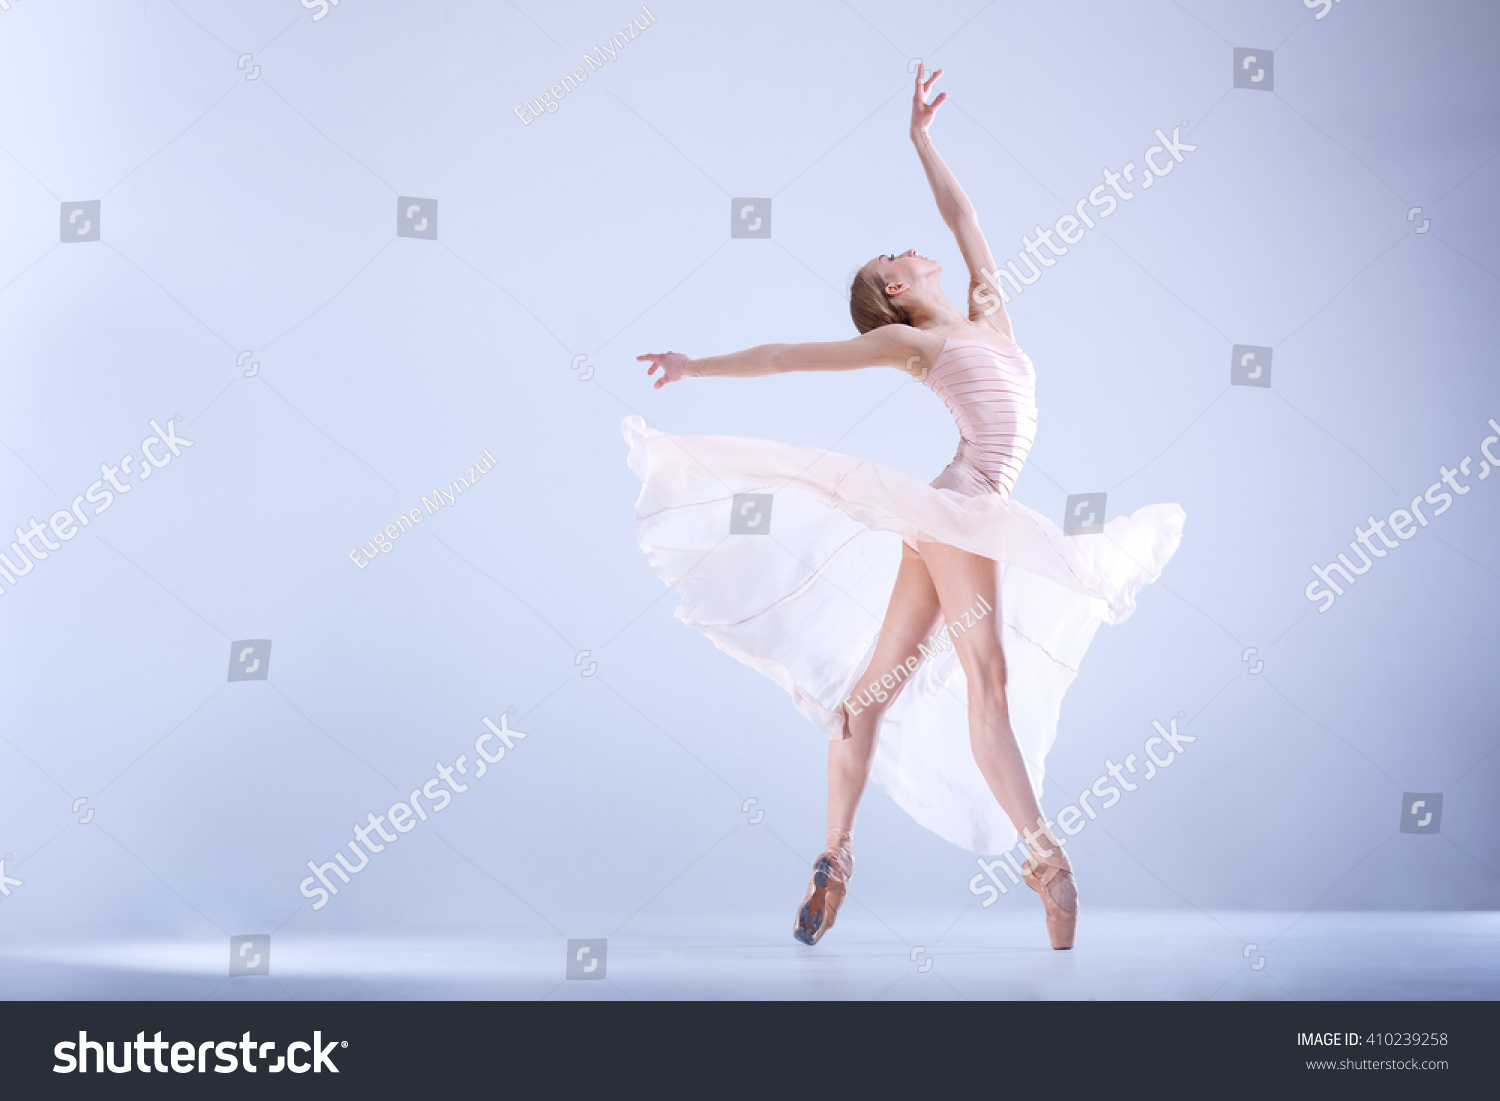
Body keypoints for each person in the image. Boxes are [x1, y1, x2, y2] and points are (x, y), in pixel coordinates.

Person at [627, 66, 1184, 950]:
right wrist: (697, 367)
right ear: (892, 291)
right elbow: (784, 358)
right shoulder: (909, 342)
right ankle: (1044, 860)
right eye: (894, 257)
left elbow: (966, 223)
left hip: (953, 514)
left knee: (869, 697)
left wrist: (922, 139)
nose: (907, 247)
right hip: (961, 507)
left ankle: (834, 857)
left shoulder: (987, 318)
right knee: (988, 682)